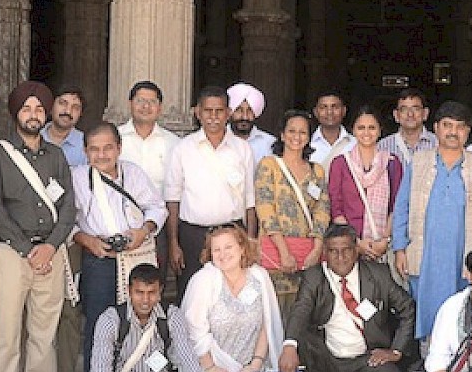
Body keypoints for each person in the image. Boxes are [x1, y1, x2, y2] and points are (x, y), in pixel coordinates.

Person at [0, 80, 78, 372]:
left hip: (50, 252)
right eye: (27, 109)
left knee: (44, 330)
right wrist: (27, 249)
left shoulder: (56, 156)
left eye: (39, 109)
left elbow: (68, 206)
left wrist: (50, 246)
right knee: (5, 331)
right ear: (16, 114)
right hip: (12, 252)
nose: (33, 115)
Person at [71, 122, 165, 372]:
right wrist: (87, 240)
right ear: (85, 152)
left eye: (108, 148)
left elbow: (157, 207)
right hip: (98, 259)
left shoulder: (133, 174)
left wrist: (143, 231)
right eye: (94, 149)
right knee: (99, 325)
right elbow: (66, 222)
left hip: (135, 257)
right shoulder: (78, 178)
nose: (102, 155)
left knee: (138, 319)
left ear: (119, 148)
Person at [280, 224, 415, 372]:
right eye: (333, 251)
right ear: (325, 252)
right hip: (325, 355)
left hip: (365, 357)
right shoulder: (314, 277)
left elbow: (407, 308)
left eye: (346, 250)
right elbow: (300, 310)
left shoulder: (378, 274)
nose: (340, 257)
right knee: (296, 341)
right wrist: (289, 346)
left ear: (356, 250)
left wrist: (395, 351)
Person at [393, 101, 472, 340]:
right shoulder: (419, 162)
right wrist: (400, 248)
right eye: (447, 125)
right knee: (425, 315)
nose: (453, 132)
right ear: (436, 128)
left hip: (462, 257)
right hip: (424, 256)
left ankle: (457, 359)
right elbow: (402, 207)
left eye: (460, 127)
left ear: (468, 132)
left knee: (462, 315)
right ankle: (428, 358)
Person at [88, 264, 221, 372]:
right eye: (139, 292)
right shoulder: (110, 319)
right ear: (129, 291)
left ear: (160, 292)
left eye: (151, 293)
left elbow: (187, 361)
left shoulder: (172, 316)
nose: (145, 300)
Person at [180, 223, 285, 372]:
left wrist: (255, 364)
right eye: (216, 250)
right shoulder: (203, 280)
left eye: (228, 247)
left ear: (242, 248)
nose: (223, 254)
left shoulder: (259, 276)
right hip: (212, 367)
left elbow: (267, 324)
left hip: (250, 367)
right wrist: (211, 368)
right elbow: (194, 331)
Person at [164, 85, 257, 299]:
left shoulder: (242, 149)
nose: (213, 117)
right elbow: (173, 199)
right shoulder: (183, 149)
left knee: (232, 295)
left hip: (233, 232)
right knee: (192, 295)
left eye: (219, 111)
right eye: (208, 111)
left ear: (228, 113)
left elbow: (249, 200)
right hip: (193, 236)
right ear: (198, 112)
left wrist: (250, 241)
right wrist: (173, 243)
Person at [255, 109, 330, 311]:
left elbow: (322, 211)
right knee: (276, 312)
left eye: (303, 132)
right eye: (291, 131)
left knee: (306, 310)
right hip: (276, 253)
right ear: (282, 134)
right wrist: (284, 252)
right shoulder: (269, 165)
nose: (297, 136)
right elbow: (265, 210)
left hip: (308, 255)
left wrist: (317, 250)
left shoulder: (317, 171)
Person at [328, 105, 403, 266]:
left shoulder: (391, 163)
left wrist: (385, 240)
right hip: (348, 247)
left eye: (372, 128)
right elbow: (336, 207)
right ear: (353, 131)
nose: (366, 133)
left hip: (382, 247)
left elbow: (396, 206)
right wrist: (356, 242)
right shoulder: (340, 163)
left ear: (380, 130)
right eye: (361, 128)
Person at [118, 80, 179, 195]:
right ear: (130, 104)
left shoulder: (173, 143)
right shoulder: (114, 138)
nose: (146, 106)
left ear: (160, 108)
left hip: (160, 206)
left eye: (152, 101)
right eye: (140, 101)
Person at [378, 87, 437, 168]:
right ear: (396, 115)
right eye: (404, 109)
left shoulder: (438, 144)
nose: (410, 114)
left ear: (425, 113)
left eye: (416, 109)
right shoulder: (383, 146)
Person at [226, 82, 276, 165]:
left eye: (249, 110)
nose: (245, 117)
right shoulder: (219, 139)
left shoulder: (269, 143)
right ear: (229, 112)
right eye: (239, 110)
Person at [309, 91, 356, 167]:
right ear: (315, 112)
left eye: (335, 107)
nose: (329, 112)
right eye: (323, 107)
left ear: (344, 111)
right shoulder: (305, 143)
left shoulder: (355, 143)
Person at [43, 85, 87, 167]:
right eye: (63, 103)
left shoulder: (86, 144)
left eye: (75, 107)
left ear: (80, 114)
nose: (68, 111)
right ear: (51, 106)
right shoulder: (34, 138)